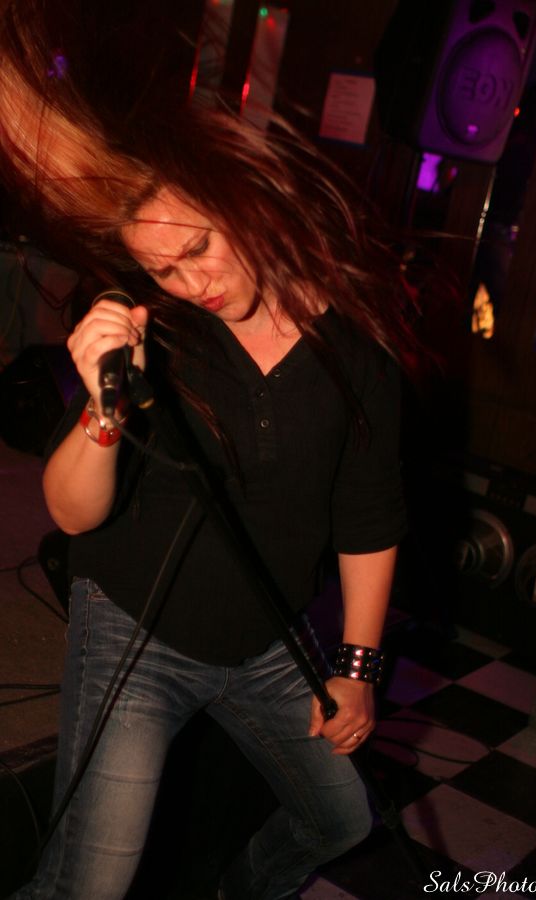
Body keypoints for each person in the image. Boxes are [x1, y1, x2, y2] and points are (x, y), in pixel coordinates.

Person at [0, 4, 421, 899]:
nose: (193, 284)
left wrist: (357, 670)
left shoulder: (358, 348)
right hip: (136, 633)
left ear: (246, 201)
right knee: (91, 885)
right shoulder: (157, 330)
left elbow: (368, 516)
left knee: (341, 820)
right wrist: (103, 409)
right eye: (165, 271)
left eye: (197, 249)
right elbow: (71, 512)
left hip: (267, 641)